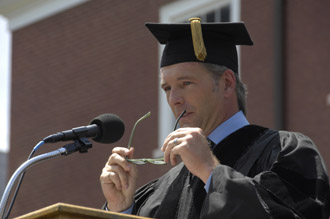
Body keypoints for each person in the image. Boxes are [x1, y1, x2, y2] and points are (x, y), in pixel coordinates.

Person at [100, 18, 330, 219]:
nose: (174, 99)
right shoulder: (162, 189)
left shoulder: (284, 151)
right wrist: (122, 210)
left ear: (227, 83)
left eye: (185, 83)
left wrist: (211, 171)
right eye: (167, 88)